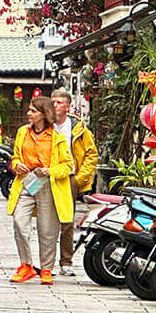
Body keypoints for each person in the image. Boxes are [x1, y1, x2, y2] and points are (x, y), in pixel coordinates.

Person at [7, 97, 75, 285]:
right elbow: (15, 157)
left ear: (44, 114)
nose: (28, 114)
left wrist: (50, 171)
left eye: (33, 111)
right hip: (26, 182)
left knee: (47, 230)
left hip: (47, 184)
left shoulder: (57, 138)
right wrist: (17, 164)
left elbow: (68, 166)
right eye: (29, 110)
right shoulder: (23, 133)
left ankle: (46, 268)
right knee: (19, 221)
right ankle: (26, 265)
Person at [51, 88, 99, 276]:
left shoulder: (78, 128)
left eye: (59, 102)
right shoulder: (45, 125)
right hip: (48, 176)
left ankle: (66, 261)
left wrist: (80, 178)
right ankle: (45, 263)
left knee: (67, 221)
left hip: (69, 178)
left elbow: (91, 154)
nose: (55, 106)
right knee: (46, 222)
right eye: (53, 102)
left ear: (68, 106)